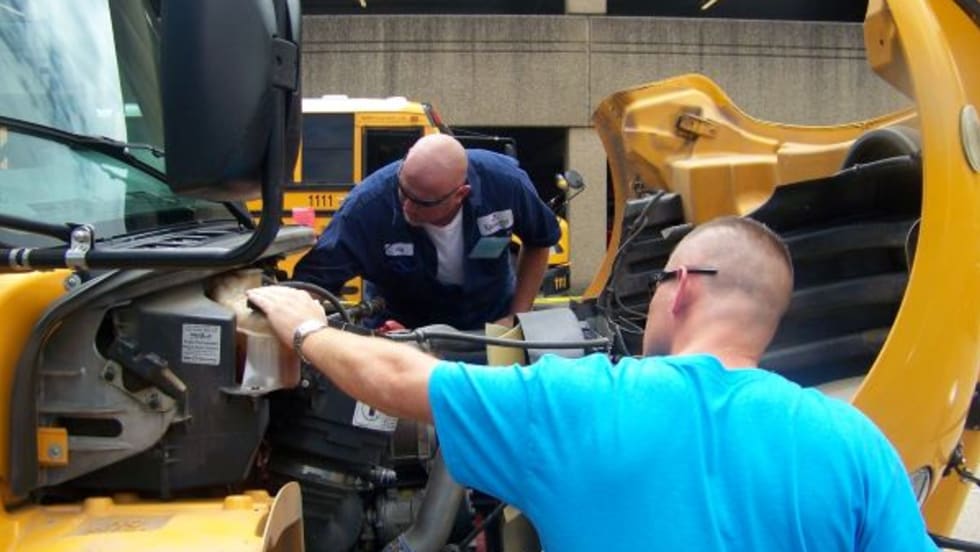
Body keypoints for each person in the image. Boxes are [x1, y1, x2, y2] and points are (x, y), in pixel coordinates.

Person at [248, 216, 937, 551]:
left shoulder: (579, 403)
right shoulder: (856, 444)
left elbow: (398, 376)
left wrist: (305, 328)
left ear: (683, 287)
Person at [292, 134, 560, 330]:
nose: (406, 207)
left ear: (460, 194)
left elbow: (540, 240)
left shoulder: (504, 184)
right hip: (401, 333)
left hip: (490, 325)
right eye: (403, 191)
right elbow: (311, 285)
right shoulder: (366, 208)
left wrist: (516, 317)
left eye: (421, 202)